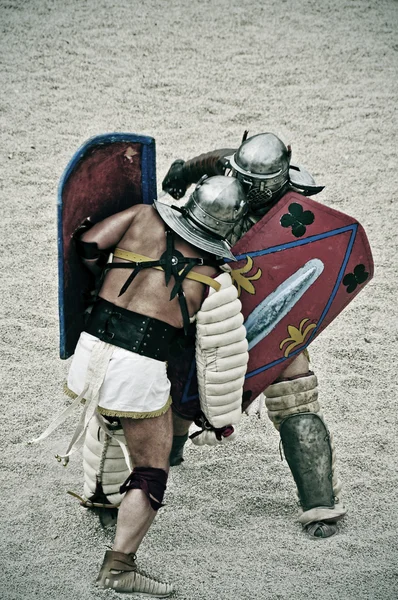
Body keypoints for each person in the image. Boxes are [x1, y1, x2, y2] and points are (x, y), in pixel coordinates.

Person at [57, 175, 248, 596]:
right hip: (137, 367)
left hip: (90, 348)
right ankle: (119, 567)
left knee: (112, 422)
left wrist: (102, 277)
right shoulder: (215, 275)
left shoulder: (143, 215)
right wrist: (219, 416)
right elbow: (215, 351)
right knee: (152, 468)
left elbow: (88, 244)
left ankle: (104, 497)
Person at [162, 131, 347, 539]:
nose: (252, 187)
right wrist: (183, 171)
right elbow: (215, 159)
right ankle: (171, 452)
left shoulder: (297, 212)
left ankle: (320, 503)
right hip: (212, 299)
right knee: (181, 370)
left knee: (294, 391)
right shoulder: (232, 177)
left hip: (272, 313)